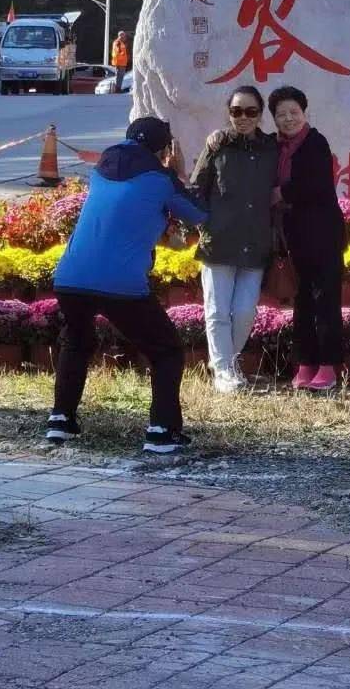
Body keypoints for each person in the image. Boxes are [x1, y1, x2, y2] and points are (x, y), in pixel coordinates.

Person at [47, 116, 208, 454]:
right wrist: (177, 173)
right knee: (165, 351)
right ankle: (162, 431)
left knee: (76, 341)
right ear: (164, 149)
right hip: (121, 282)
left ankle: (60, 420)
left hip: (70, 277)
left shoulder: (100, 169)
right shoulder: (161, 178)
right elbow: (199, 215)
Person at [191, 86, 279, 393]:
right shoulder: (217, 146)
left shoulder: (271, 148)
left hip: (255, 241)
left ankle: (228, 363)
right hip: (219, 241)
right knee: (216, 311)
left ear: (260, 114)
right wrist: (204, 225)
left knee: (244, 311)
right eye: (236, 111)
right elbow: (196, 189)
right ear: (229, 113)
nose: (243, 118)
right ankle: (224, 372)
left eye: (251, 112)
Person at [269, 85, 344, 392]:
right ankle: (305, 363)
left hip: (323, 233)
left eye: (294, 113)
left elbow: (318, 186)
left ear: (304, 113)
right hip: (294, 234)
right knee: (301, 302)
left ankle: (329, 366)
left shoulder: (315, 142)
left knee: (324, 299)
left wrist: (281, 193)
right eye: (281, 114)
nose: (288, 119)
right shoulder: (276, 147)